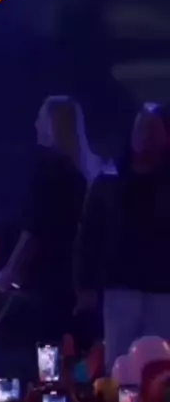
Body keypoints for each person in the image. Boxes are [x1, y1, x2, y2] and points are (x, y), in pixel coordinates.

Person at [0, 95, 100, 383]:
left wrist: (9, 273)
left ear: (53, 125)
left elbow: (35, 229)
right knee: (59, 360)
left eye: (41, 118)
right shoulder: (83, 174)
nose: (35, 124)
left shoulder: (49, 169)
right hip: (68, 284)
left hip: (41, 286)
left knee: (26, 361)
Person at [75, 102, 170, 372]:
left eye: (152, 129)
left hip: (164, 292)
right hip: (120, 289)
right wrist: (84, 286)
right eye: (141, 128)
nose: (145, 136)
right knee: (118, 364)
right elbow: (89, 235)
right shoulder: (109, 180)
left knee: (160, 367)